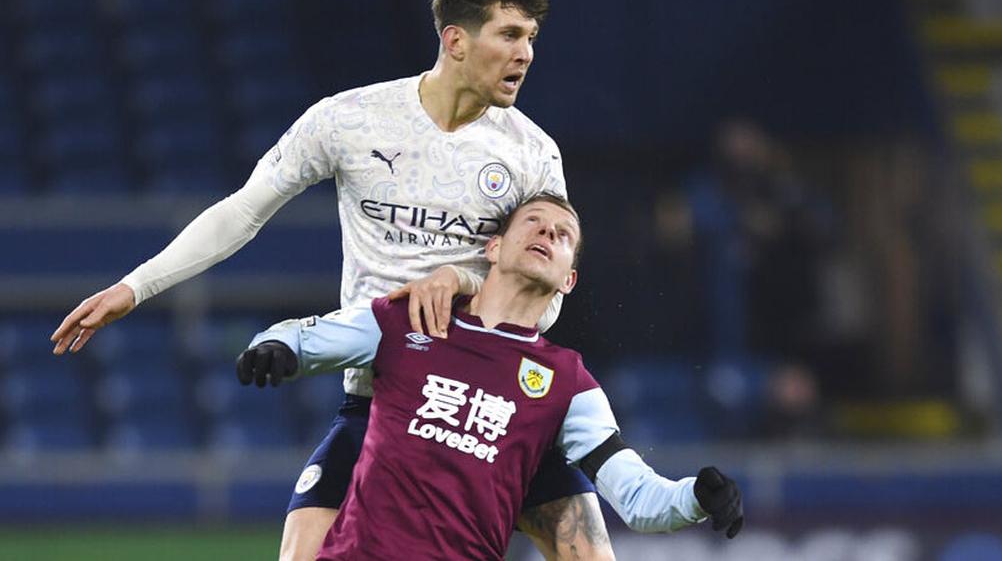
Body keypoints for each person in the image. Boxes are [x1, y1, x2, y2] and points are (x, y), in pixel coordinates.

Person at [50, 0, 615, 560]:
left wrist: (459, 280)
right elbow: (243, 211)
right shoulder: (350, 119)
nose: (526, 53)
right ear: (455, 40)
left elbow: (547, 298)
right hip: (384, 405)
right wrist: (135, 287)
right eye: (510, 35)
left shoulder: (531, 154)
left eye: (531, 37)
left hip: (490, 410)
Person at [237, 194, 744, 559]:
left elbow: (636, 496)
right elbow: (306, 337)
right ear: (493, 249)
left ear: (568, 280)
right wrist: (273, 347)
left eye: (563, 235)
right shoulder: (410, 319)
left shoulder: (568, 382)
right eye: (535, 223)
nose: (548, 234)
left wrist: (695, 497)